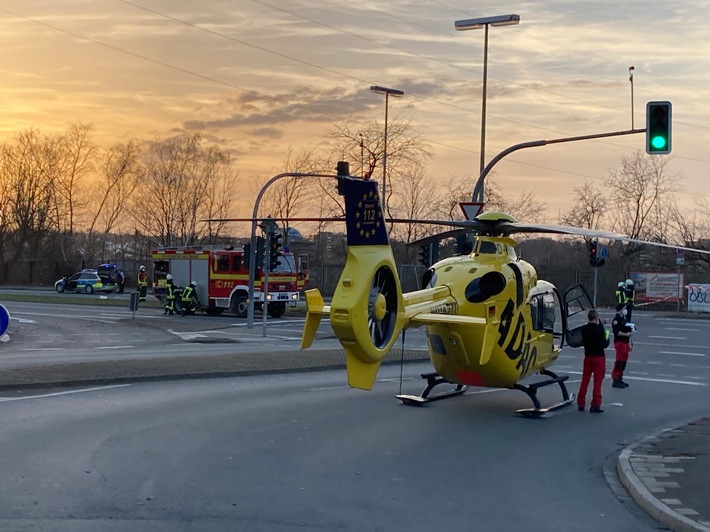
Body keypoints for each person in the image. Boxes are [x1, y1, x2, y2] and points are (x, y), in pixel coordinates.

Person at [577, 309, 610, 414]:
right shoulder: (599, 330)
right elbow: (605, 344)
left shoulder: (584, 329)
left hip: (588, 356)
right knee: (597, 382)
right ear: (596, 318)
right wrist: (606, 333)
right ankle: (595, 404)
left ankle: (581, 402)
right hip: (599, 357)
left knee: (585, 380)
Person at [611, 303, 634, 388]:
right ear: (620, 310)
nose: (625, 310)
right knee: (619, 361)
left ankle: (620, 378)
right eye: (624, 308)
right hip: (620, 342)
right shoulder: (616, 320)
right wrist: (626, 334)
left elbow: (629, 331)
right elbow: (617, 332)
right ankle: (615, 379)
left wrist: (630, 343)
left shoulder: (623, 319)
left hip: (625, 342)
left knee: (623, 362)